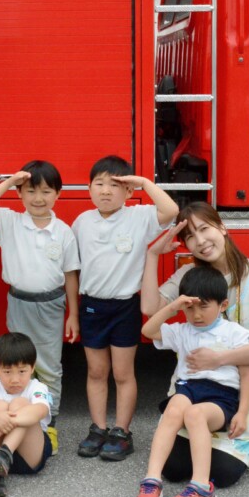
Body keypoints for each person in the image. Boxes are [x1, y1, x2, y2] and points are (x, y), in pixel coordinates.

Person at [140, 201, 249, 488]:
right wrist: (152, 255)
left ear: (222, 227)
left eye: (204, 229)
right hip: (196, 392)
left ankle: (240, 446)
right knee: (173, 469)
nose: (200, 241)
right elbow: (150, 308)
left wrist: (220, 358)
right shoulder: (191, 278)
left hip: (244, 392)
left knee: (222, 473)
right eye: (190, 236)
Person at [72, 155, 178, 461]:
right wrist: (75, 312)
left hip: (124, 307)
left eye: (115, 185)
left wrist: (145, 182)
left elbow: (170, 210)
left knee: (121, 372)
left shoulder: (140, 217)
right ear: (89, 188)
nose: (105, 191)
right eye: (99, 184)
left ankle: (121, 431)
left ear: (129, 192)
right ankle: (98, 428)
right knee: (96, 371)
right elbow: (74, 268)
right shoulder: (82, 222)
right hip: (91, 305)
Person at [0, 161, 80, 454]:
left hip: (51, 305)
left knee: (49, 368)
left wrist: (73, 313)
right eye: (30, 191)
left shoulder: (63, 231)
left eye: (46, 191)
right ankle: (17, 422)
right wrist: (9, 181)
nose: (38, 198)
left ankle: (49, 423)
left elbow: (71, 274)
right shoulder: (9, 222)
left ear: (58, 194)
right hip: (19, 302)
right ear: (20, 194)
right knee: (19, 365)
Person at [137, 266, 249, 497]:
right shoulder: (182, 331)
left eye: (204, 307)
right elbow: (148, 331)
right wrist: (173, 307)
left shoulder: (235, 333)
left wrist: (243, 413)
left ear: (222, 305)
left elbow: (246, 374)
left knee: (195, 414)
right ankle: (151, 480)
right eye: (190, 308)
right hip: (188, 388)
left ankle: (202, 488)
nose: (196, 315)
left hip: (221, 398)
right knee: (176, 404)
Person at [0, 332, 52, 497]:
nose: (15, 379)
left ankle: (5, 453)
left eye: (22, 371)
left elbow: (41, 410)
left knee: (21, 404)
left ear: (33, 367)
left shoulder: (37, 386)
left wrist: (6, 422)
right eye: (7, 372)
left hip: (29, 454)